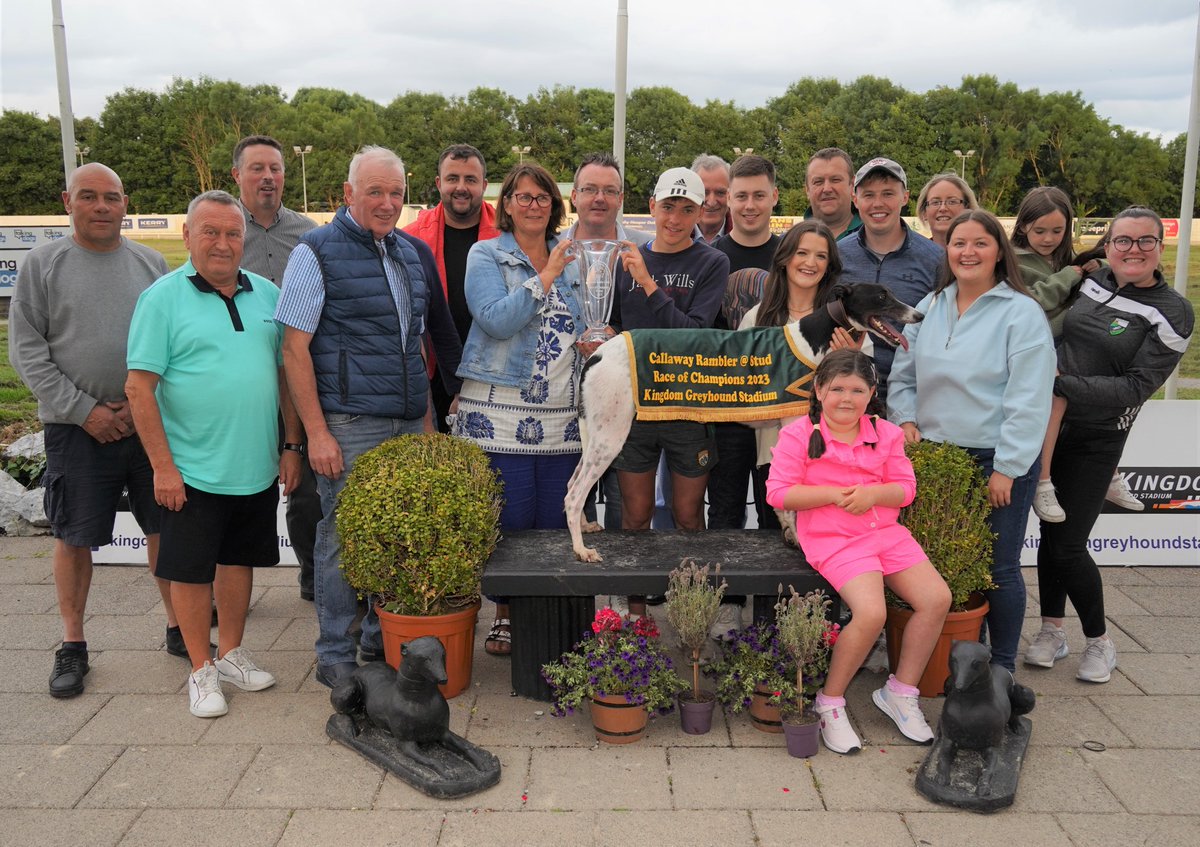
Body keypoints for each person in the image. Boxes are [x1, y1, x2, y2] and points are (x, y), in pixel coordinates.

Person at [276, 146, 463, 689]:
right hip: (349, 424)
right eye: (375, 192)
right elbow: (294, 350)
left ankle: (378, 640)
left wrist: (425, 418)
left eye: (396, 193)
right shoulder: (316, 251)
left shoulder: (408, 252)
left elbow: (416, 345)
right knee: (341, 539)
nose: (387, 203)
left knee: (396, 538)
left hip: (407, 420)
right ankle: (334, 652)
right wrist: (315, 432)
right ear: (348, 194)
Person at [8, 162, 183, 697]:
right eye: (90, 197)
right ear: (68, 201)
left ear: (125, 202)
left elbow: (175, 341)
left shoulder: (152, 264)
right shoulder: (42, 265)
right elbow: (28, 351)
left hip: (147, 422)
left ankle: (181, 627)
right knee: (74, 537)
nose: (102, 207)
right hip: (75, 429)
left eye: (111, 197)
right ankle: (72, 644)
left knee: (165, 528)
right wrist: (84, 410)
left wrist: (138, 408)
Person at [125, 190, 300, 718]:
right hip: (191, 470)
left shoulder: (268, 294)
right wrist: (162, 467)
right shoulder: (161, 299)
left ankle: (231, 655)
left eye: (232, 234)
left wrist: (290, 444)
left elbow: (285, 375)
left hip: (253, 466)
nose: (223, 244)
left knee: (238, 561)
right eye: (210, 232)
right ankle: (200, 669)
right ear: (187, 235)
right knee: (191, 570)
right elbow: (139, 388)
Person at [1028, 207, 1193, 682]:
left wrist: (1060, 383)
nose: (1133, 250)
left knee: (1069, 544)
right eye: (1123, 240)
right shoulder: (1093, 278)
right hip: (1048, 426)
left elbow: (1135, 388)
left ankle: (1100, 640)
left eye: (1145, 241)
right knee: (1050, 535)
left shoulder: (1174, 309)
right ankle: (1052, 631)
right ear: (1108, 246)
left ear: (1160, 247)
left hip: (1098, 436)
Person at [888, 210, 1056, 672]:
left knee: (998, 569)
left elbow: (1030, 398)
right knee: (942, 566)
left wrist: (1008, 466)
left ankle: (1000, 670)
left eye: (980, 243)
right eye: (959, 243)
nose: (968, 252)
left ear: (998, 251)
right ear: (947, 249)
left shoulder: (1021, 313)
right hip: (938, 458)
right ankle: (958, 664)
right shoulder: (932, 303)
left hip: (995, 460)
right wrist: (903, 420)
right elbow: (904, 374)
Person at [766, 349, 951, 754]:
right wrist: (834, 494)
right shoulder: (798, 433)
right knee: (871, 613)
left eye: (857, 389)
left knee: (937, 598)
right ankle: (830, 702)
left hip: (885, 531)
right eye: (836, 389)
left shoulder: (886, 433)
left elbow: (906, 488)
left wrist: (872, 494)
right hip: (834, 538)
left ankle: (900, 691)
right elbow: (778, 492)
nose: (846, 398)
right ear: (819, 390)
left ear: (871, 394)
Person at [453, 162, 582, 656]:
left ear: (554, 205)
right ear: (505, 204)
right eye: (523, 197)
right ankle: (505, 614)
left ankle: (546, 619)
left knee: (554, 520)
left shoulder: (573, 255)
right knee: (509, 519)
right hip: (498, 413)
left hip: (564, 416)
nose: (533, 205)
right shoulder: (486, 254)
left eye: (542, 197)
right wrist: (546, 276)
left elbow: (586, 319)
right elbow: (495, 321)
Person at [609, 166, 729, 619]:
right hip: (636, 407)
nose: (675, 219)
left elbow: (694, 336)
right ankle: (635, 615)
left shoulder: (711, 262)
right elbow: (620, 327)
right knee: (635, 518)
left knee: (687, 519)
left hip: (687, 406)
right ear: (653, 205)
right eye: (667, 207)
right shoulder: (628, 257)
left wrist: (648, 283)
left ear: (701, 211)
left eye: (687, 209)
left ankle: (691, 613)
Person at [1008, 187, 1141, 523]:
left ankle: (1109, 472)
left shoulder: (1074, 259)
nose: (1049, 238)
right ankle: (1043, 481)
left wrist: (1093, 267)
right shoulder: (1011, 260)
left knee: (1119, 382)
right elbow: (1032, 306)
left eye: (1058, 231)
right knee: (1060, 392)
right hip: (1041, 350)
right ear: (1022, 226)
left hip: (1080, 345)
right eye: (1040, 230)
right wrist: (1073, 276)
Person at [232, 134, 319, 602]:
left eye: (276, 169)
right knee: (237, 490)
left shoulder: (309, 234)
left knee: (305, 491)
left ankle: (311, 572)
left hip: (297, 378)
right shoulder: (223, 230)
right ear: (237, 176)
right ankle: (228, 583)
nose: (268, 177)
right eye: (257, 169)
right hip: (241, 381)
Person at [563, 152, 650, 532]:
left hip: (625, 393)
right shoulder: (548, 250)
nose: (599, 198)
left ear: (620, 198)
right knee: (577, 504)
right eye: (590, 189)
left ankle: (626, 592)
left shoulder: (646, 250)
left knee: (627, 511)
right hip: (560, 398)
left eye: (609, 191)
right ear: (575, 196)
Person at [708, 155, 783, 553]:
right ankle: (727, 604)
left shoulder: (791, 258)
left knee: (777, 510)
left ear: (774, 197)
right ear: (729, 201)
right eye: (741, 196)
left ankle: (778, 606)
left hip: (778, 407)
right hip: (728, 406)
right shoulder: (710, 257)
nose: (750, 205)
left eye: (758, 195)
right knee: (724, 511)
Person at [404, 144, 500, 433]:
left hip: (492, 377)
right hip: (432, 379)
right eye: (452, 179)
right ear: (438, 183)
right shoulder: (409, 241)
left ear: (484, 185)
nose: (461, 187)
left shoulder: (510, 237)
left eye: (470, 180)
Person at [838, 157, 943, 401]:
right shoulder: (837, 255)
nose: (878, 204)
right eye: (869, 195)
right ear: (855, 200)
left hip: (912, 396)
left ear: (905, 197)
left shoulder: (935, 259)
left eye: (888, 194)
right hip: (848, 394)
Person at [804, 148, 861, 240]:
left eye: (835, 180)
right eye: (818, 182)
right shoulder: (787, 245)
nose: (827, 189)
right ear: (807, 189)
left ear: (852, 184)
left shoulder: (875, 237)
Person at [914, 173, 978, 247]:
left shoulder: (983, 255)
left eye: (952, 202)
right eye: (935, 202)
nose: (943, 208)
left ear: (968, 208)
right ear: (924, 212)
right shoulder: (913, 257)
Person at [690, 154, 732, 245]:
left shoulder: (744, 238)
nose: (711, 202)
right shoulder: (675, 236)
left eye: (720, 192)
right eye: (704, 193)